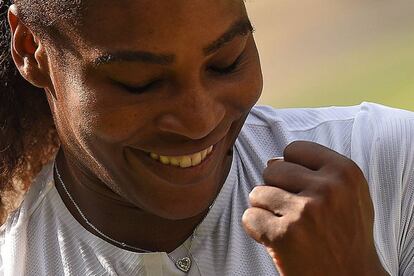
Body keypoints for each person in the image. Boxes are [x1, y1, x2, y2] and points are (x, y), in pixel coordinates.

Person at [0, 0, 413, 275]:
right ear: (29, 47)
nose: (199, 120)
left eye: (226, 63)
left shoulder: (388, 165)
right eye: (139, 83)